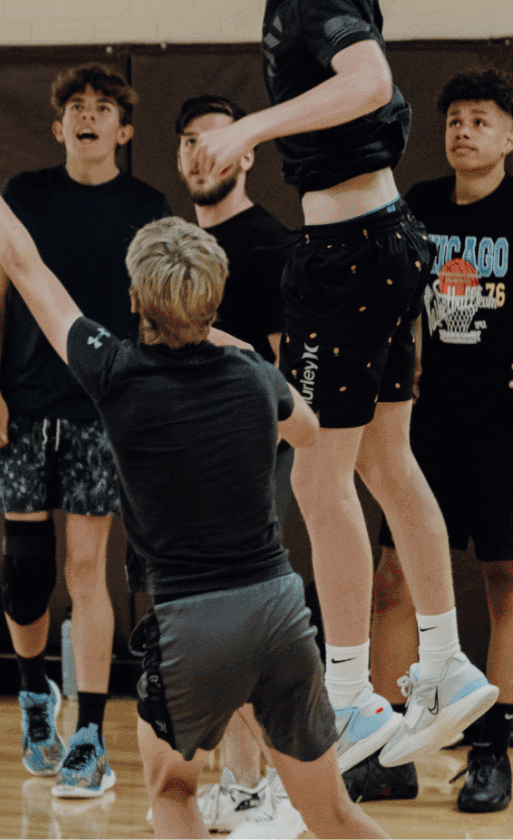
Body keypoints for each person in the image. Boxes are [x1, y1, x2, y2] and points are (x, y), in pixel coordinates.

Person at [197, 0, 497, 776]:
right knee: (382, 462)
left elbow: (368, 83)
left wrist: (252, 128)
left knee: (316, 475)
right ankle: (445, 662)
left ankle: (347, 689)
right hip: (384, 246)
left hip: (346, 253)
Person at [0, 70, 390, 840]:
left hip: (188, 625)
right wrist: (228, 341)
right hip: (279, 614)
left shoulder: (114, 372)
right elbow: (310, 430)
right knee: (332, 812)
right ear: (212, 298)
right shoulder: (256, 376)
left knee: (173, 795)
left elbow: (24, 263)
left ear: (136, 300)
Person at [0, 63, 171, 797]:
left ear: (124, 129)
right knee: (26, 577)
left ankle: (89, 733)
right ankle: (34, 692)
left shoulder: (148, 208)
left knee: (87, 571)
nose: (89, 116)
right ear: (59, 127)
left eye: (104, 107)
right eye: (77, 107)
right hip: (25, 409)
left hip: (101, 412)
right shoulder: (24, 195)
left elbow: (158, 317)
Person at [369, 68, 513, 813]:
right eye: (455, 119)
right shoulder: (419, 207)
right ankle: (389, 752)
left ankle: (492, 750)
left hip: (504, 428)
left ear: (510, 138)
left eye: (481, 120)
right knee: (393, 580)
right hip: (424, 426)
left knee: (506, 582)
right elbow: (391, 299)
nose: (464, 131)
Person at [175, 93, 302, 835]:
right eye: (189, 140)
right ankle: (243, 779)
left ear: (248, 154)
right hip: (183, 464)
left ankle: (267, 787)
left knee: (244, 618)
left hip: (253, 464)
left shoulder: (271, 246)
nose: (201, 153)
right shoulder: (170, 250)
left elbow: (289, 380)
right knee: (208, 622)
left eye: (215, 140)